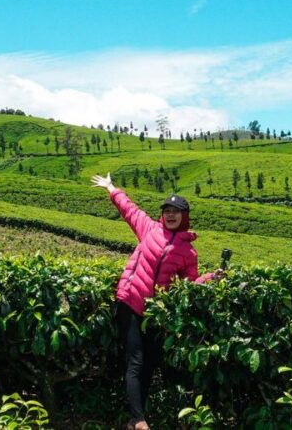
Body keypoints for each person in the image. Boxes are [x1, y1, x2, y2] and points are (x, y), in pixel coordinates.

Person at [91, 172, 224, 430]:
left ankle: (134, 418)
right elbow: (129, 210)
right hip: (130, 300)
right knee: (136, 361)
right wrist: (111, 187)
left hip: (154, 312)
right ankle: (139, 421)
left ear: (184, 216)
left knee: (150, 365)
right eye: (167, 210)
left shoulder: (188, 252)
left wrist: (210, 278)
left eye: (176, 210)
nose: (170, 214)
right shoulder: (150, 229)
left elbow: (187, 285)